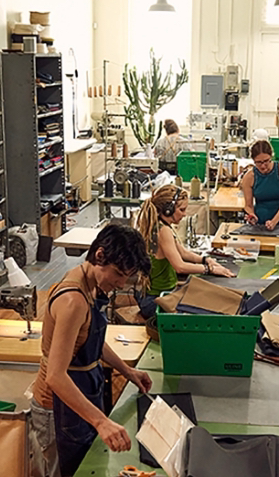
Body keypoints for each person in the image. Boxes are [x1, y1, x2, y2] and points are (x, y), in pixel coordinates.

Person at [31, 224, 153, 477]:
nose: (120, 283)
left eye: (126, 277)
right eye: (118, 274)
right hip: (57, 407)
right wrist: (101, 421)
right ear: (99, 255)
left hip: (82, 393)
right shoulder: (73, 300)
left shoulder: (91, 285)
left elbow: (91, 340)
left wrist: (127, 371)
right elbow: (55, 376)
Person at [135, 184, 235, 318]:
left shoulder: (161, 225)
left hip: (156, 296)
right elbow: (180, 267)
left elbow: (183, 253)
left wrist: (206, 260)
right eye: (181, 210)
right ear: (168, 210)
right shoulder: (163, 231)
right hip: (156, 301)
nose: (184, 214)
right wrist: (209, 269)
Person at [241, 139, 279, 230]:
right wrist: (251, 215)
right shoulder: (249, 177)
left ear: (271, 156)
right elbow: (248, 205)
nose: (263, 166)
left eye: (266, 161)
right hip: (261, 221)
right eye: (259, 162)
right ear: (253, 160)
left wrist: (274, 221)